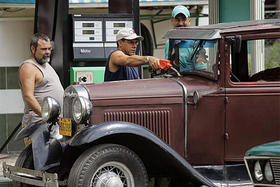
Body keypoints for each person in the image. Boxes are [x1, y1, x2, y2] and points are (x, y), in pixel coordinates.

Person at [19, 33, 64, 145]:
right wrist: (47, 117)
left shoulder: (45, 64)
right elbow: (28, 97)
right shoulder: (28, 67)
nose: (48, 52)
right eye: (43, 49)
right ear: (33, 48)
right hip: (38, 124)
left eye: (49, 49)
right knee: (37, 160)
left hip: (52, 124)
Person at [165, 5, 207, 72]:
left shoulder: (196, 43)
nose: (180, 23)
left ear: (189, 21)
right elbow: (168, 67)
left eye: (184, 19)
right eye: (177, 20)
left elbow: (202, 71)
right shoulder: (169, 43)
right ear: (172, 21)